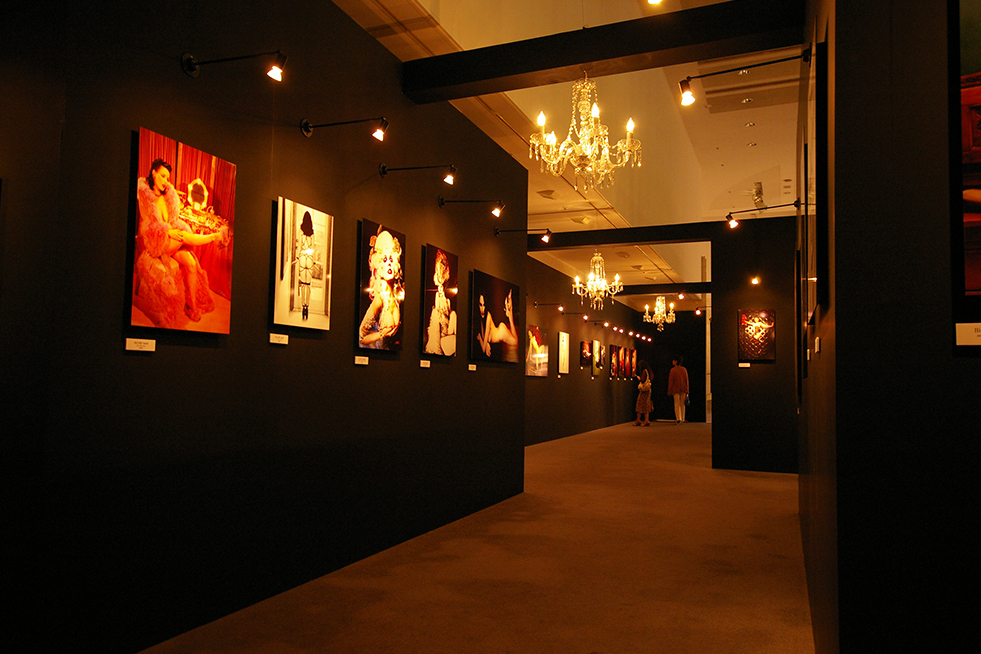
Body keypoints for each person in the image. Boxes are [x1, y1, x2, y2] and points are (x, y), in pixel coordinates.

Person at [135, 158, 226, 328]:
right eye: (163, 176)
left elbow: (173, 220)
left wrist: (173, 230)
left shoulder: (168, 197)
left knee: (191, 263)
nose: (165, 181)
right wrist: (167, 231)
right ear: (154, 173)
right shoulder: (146, 196)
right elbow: (147, 226)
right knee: (183, 236)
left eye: (167, 178)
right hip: (155, 243)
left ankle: (192, 305)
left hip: (170, 242)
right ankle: (213, 237)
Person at [359, 226, 404, 349]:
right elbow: (362, 338)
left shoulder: (395, 297)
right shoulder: (380, 298)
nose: (388, 263)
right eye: (384, 259)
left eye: (391, 259)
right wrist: (381, 335)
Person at [425, 249, 457, 355]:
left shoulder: (447, 303)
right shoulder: (438, 299)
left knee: (452, 315)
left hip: (445, 334)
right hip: (441, 336)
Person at [476, 290, 518, 357]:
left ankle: (510, 313)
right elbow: (484, 339)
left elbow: (483, 349)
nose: (482, 309)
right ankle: (510, 314)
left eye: (484, 305)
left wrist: (480, 339)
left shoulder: (488, 316)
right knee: (515, 341)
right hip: (500, 329)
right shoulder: (481, 319)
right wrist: (486, 343)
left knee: (516, 342)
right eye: (480, 305)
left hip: (501, 333)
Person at [296, 211, 315, 320]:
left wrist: (297, 257)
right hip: (310, 259)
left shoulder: (300, 231)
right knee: (308, 284)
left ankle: (303, 305)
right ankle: (307, 306)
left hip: (303, 258)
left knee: (303, 284)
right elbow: (313, 249)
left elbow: (299, 247)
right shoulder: (312, 234)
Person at [668, 356, 690, 424]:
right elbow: (686, 380)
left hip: (675, 389)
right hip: (683, 389)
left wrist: (669, 390)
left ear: (676, 361)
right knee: (682, 404)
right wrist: (687, 390)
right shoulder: (684, 369)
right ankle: (683, 418)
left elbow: (671, 381)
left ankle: (678, 418)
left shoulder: (673, 370)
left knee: (677, 404)